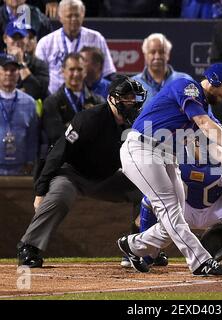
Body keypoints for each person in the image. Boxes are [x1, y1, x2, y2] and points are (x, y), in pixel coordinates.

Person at [118, 63, 222, 277]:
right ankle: (200, 261)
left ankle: (133, 246)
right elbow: (206, 125)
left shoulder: (203, 110)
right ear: (215, 79)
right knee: (170, 211)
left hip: (165, 156)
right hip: (142, 148)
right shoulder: (187, 86)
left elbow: (214, 147)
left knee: (175, 218)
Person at [17, 75, 147, 267]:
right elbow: (59, 151)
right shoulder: (88, 118)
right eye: (126, 97)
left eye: (134, 97)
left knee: (146, 193)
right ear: (112, 98)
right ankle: (28, 247)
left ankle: (139, 248)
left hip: (107, 177)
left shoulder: (138, 124)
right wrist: (40, 189)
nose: (131, 102)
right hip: (72, 173)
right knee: (60, 197)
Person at [35, 0, 116, 94]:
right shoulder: (46, 42)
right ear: (60, 17)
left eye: (77, 15)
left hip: (89, 98)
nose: (73, 19)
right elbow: (39, 75)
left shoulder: (96, 38)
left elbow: (108, 72)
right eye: (69, 16)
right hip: (54, 98)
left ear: (83, 15)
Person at [0, 53, 38, 175]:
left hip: (20, 169)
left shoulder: (30, 103)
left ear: (18, 74)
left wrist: (30, 162)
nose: (9, 73)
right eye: (5, 69)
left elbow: (33, 137)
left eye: (13, 70)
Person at [133, 33, 191, 106]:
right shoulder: (133, 85)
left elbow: (202, 111)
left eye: (161, 52)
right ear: (145, 55)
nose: (157, 56)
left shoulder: (185, 81)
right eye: (152, 52)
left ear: (168, 55)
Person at [3, 21, 49, 101]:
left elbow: (37, 93)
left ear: (27, 39)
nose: (17, 42)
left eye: (21, 37)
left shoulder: (39, 65)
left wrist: (21, 63)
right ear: (5, 38)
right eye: (14, 37)